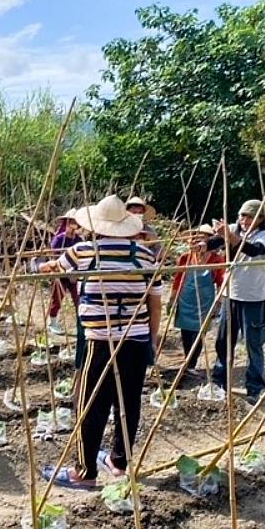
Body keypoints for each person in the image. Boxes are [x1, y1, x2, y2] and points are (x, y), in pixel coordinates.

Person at [33, 195, 162, 489]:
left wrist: (35, 266)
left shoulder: (83, 251)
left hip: (101, 340)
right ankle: (118, 462)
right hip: (136, 339)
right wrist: (151, 339)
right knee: (128, 402)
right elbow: (155, 304)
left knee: (91, 403)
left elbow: (53, 268)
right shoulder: (144, 255)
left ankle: (85, 472)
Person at [195, 199, 265, 404]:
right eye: (242, 215)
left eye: (250, 217)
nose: (244, 220)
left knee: (253, 344)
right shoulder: (234, 229)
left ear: (260, 219)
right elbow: (217, 241)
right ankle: (219, 382)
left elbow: (253, 250)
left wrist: (229, 235)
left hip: (254, 297)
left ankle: (254, 387)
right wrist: (204, 244)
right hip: (231, 294)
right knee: (224, 341)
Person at [168, 225, 224, 376]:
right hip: (186, 298)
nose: (197, 241)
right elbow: (178, 279)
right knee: (186, 331)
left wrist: (218, 303)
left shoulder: (217, 260)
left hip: (205, 300)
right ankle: (188, 360)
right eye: (195, 238)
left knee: (199, 332)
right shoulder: (185, 258)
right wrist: (173, 298)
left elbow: (221, 281)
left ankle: (191, 363)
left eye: (202, 238)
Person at [48, 208, 82, 336]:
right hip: (60, 272)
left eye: (75, 223)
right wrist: (66, 270)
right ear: (66, 223)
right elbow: (56, 258)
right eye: (71, 222)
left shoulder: (79, 240)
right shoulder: (58, 239)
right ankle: (52, 322)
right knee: (57, 298)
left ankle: (80, 324)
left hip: (75, 274)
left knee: (78, 299)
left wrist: (75, 271)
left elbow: (81, 257)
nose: (73, 225)